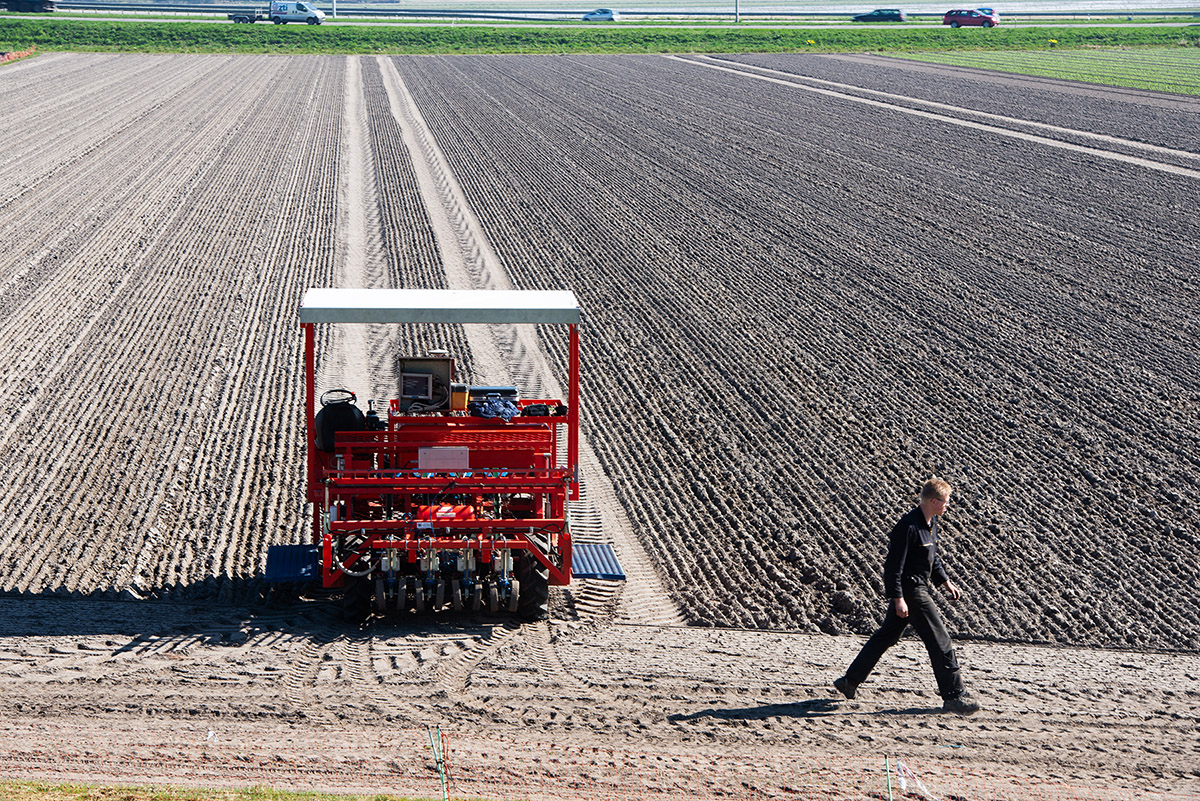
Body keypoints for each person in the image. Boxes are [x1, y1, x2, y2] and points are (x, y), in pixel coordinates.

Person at [833, 478, 981, 716]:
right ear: (933, 501)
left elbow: (933, 558)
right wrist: (898, 598)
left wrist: (945, 582)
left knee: (886, 636)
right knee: (940, 640)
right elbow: (893, 567)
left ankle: (849, 681)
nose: (948, 506)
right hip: (912, 592)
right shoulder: (908, 526)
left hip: (918, 587)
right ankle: (954, 696)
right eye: (945, 501)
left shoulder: (930, 524)